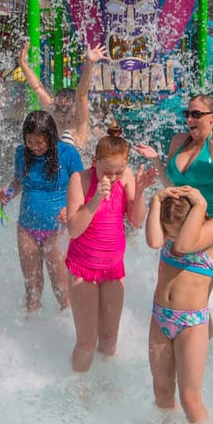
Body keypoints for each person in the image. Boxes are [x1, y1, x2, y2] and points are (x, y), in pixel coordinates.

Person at [136, 93, 213, 324]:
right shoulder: (178, 141)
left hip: (210, 229)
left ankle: (203, 347)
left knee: (197, 300)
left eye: (196, 114)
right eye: (187, 114)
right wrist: (155, 160)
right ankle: (188, 344)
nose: (190, 119)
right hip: (175, 225)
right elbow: (172, 186)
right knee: (173, 296)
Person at [65, 127, 158, 372]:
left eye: (119, 171)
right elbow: (73, 230)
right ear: (94, 162)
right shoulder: (80, 180)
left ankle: (105, 390)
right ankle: (77, 394)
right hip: (82, 268)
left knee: (109, 339)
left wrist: (140, 192)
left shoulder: (125, 177)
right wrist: (95, 199)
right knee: (87, 342)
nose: (113, 177)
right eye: (107, 171)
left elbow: (136, 222)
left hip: (113, 269)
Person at [145, 185, 213, 424]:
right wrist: (156, 201)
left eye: (175, 232)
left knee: (190, 399)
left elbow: (185, 246)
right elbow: (155, 242)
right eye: (169, 233)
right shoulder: (169, 234)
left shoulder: (212, 229)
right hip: (160, 317)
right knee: (162, 393)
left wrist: (200, 204)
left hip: (191, 323)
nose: (171, 239)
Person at [0, 110, 83, 312]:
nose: (35, 147)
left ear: (51, 137)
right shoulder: (21, 153)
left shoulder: (67, 154)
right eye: (30, 141)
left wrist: (70, 209)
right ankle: (32, 331)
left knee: (62, 288)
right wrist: (8, 192)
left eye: (40, 142)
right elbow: (18, 182)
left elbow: (83, 186)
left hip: (58, 228)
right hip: (27, 228)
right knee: (32, 288)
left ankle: (68, 332)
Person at [19, 42, 108, 152]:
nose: (60, 112)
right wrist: (23, 64)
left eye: (65, 109)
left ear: (75, 108)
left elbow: (81, 94)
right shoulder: (54, 116)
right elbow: (38, 89)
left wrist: (90, 64)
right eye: (58, 108)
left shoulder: (80, 124)